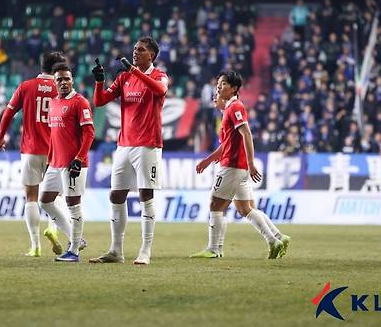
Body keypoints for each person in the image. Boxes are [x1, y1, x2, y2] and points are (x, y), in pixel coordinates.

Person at [190, 71, 290, 259]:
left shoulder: (235, 107)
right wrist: (208, 160)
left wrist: (251, 163)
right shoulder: (228, 110)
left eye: (223, 84)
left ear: (234, 88)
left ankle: (214, 249)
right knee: (246, 208)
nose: (218, 88)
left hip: (232, 166)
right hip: (238, 167)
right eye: (218, 84)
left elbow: (247, 133)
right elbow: (226, 145)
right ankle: (276, 238)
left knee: (215, 205)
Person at [89, 37, 169, 265]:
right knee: (116, 195)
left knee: (146, 195)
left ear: (151, 55)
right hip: (124, 144)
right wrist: (99, 82)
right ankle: (116, 250)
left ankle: (145, 251)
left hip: (148, 144)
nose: (135, 52)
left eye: (140, 50)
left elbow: (160, 90)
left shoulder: (159, 75)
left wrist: (134, 70)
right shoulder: (124, 77)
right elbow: (100, 101)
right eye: (134, 49)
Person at [0, 51, 67, 257]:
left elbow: (8, 113)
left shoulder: (26, 87)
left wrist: (1, 137)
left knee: (31, 197)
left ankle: (35, 246)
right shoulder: (62, 87)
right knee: (57, 195)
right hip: (55, 150)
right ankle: (53, 228)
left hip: (30, 150)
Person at [39, 63, 95, 262]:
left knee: (73, 205)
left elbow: (89, 133)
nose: (63, 82)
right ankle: (76, 238)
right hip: (55, 163)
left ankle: (74, 251)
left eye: (67, 79)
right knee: (45, 201)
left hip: (73, 164)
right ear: (54, 83)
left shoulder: (80, 102)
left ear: (72, 80)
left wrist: (79, 158)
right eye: (59, 79)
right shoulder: (53, 103)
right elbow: (54, 136)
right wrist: (49, 160)